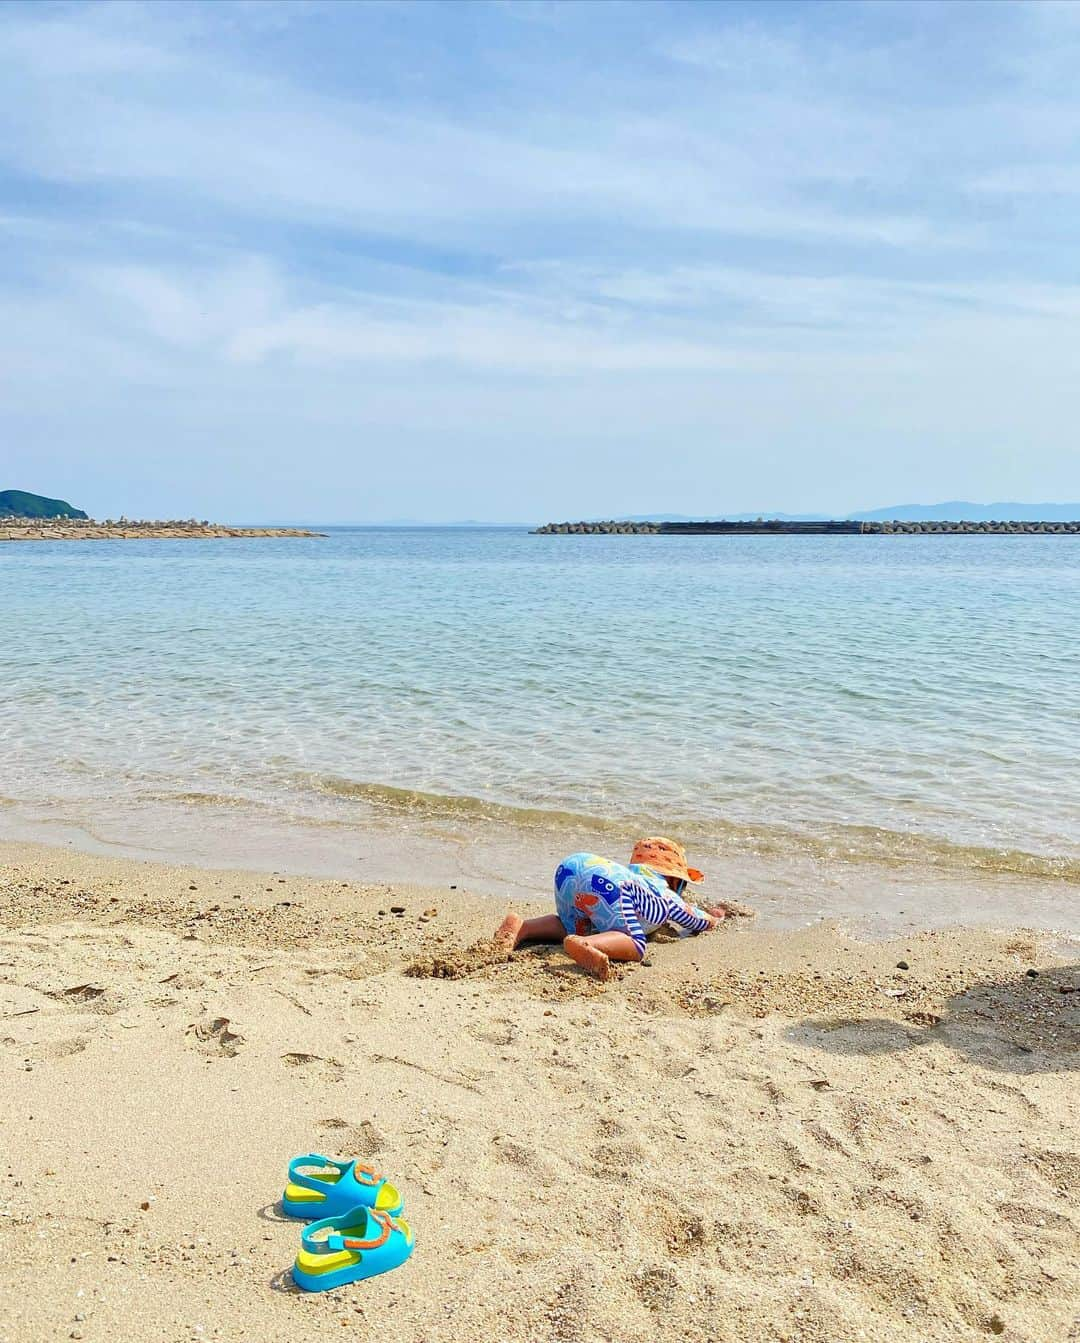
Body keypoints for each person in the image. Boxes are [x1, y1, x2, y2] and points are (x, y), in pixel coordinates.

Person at [494, 836, 734, 982]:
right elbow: (698, 921)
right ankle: (588, 944)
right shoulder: (667, 895)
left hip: (575, 865)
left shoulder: (632, 875)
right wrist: (715, 917)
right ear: (675, 880)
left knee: (571, 925)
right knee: (635, 943)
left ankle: (522, 927)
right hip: (612, 888)